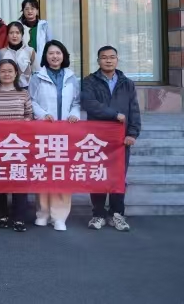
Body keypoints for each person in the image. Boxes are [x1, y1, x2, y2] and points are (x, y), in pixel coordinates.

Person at [81, 45, 140, 233]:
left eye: (112, 57)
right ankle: (98, 214)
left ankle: (117, 214)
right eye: (104, 57)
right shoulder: (89, 81)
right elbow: (89, 104)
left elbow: (134, 109)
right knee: (97, 175)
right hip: (96, 137)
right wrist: (114, 115)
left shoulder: (127, 83)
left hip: (120, 139)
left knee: (118, 177)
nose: (108, 60)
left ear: (117, 59)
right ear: (98, 60)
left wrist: (132, 133)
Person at [29, 40, 81, 232]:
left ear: (64, 55)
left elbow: (76, 102)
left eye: (58, 53)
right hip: (44, 131)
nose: (54, 56)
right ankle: (42, 213)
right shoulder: (37, 77)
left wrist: (74, 114)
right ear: (45, 56)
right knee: (42, 172)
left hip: (65, 132)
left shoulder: (71, 77)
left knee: (62, 173)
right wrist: (42, 115)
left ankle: (59, 216)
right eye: (51, 53)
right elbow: (31, 100)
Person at [0, 59, 33, 232]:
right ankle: (0, 215)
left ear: (16, 74)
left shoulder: (24, 94)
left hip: (19, 144)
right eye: (3, 71)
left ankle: (19, 217)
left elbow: (30, 114)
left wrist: (25, 122)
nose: (6, 74)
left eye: (10, 71)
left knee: (19, 179)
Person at [0, 21, 35, 88]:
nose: (14, 36)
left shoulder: (30, 51)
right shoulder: (1, 52)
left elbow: (37, 72)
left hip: (27, 89)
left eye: (17, 33)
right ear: (7, 35)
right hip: (7, 89)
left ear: (22, 35)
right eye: (11, 33)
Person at [19, 0, 51, 72]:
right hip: (22, 62)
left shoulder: (44, 25)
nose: (29, 11)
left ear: (37, 10)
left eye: (32, 8)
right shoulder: (18, 25)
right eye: (26, 9)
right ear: (23, 11)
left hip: (41, 62)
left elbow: (50, 44)